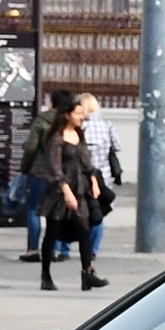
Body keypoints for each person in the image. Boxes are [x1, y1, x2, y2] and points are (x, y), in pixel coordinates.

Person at [31, 97, 108, 292]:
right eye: (78, 114)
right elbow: (54, 168)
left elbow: (86, 161)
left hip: (79, 189)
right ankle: (45, 275)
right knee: (52, 232)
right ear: (67, 115)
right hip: (59, 193)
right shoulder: (56, 138)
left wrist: (93, 181)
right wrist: (66, 191)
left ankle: (87, 273)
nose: (82, 117)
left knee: (84, 231)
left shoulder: (78, 134)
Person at [56, 93, 122, 259]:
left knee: (70, 211)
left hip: (77, 176)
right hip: (101, 176)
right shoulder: (107, 125)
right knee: (97, 212)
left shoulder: (79, 127)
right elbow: (117, 146)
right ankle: (92, 249)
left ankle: (64, 248)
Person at [16, 89, 76, 263]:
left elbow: (31, 148)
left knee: (34, 210)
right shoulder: (71, 122)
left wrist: (25, 168)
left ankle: (33, 249)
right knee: (56, 212)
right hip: (64, 174)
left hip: (41, 173)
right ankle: (55, 249)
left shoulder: (42, 120)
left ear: (52, 102)